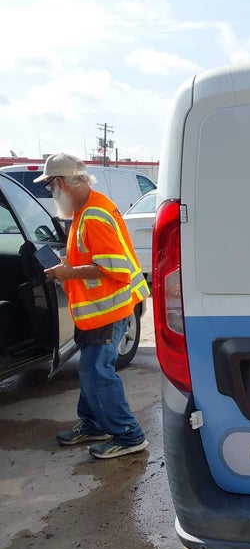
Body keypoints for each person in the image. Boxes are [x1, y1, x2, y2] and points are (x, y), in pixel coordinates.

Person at [37, 153, 151, 459]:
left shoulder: (93, 215)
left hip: (107, 311)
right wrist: (68, 265)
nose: (51, 193)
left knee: (97, 373)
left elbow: (114, 268)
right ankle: (93, 423)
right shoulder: (87, 209)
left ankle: (129, 435)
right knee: (91, 371)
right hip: (98, 310)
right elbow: (94, 256)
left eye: (50, 186)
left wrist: (68, 273)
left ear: (61, 182)